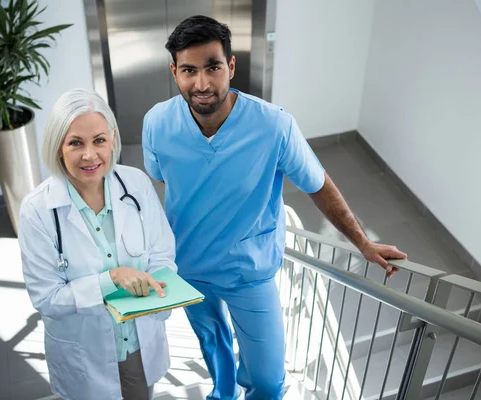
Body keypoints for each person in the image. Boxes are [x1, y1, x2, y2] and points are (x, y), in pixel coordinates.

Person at [142, 15, 407, 400]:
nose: (202, 83)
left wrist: (362, 242)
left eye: (213, 67)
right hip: (188, 266)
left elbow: (318, 184)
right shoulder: (157, 123)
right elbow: (163, 181)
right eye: (189, 70)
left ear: (230, 66)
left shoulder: (273, 126)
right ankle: (223, 393)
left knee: (267, 380)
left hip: (248, 271)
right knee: (213, 347)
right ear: (175, 72)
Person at [19, 89, 176, 400]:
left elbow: (162, 254)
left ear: (113, 138)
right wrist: (111, 280)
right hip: (83, 354)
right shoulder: (36, 210)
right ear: (58, 146)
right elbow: (46, 297)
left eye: (99, 140)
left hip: (137, 344)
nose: (90, 155)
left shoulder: (136, 185)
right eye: (76, 143)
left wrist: (158, 290)